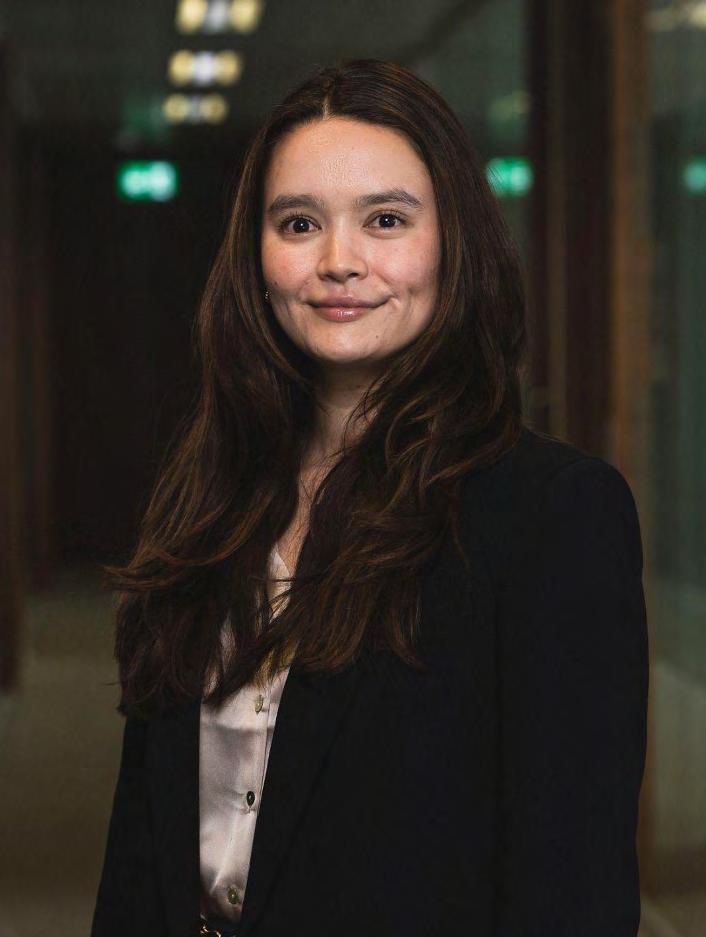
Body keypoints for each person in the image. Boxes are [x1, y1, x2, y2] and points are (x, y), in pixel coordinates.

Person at [90, 58, 649, 937]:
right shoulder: (209, 494)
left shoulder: (552, 515)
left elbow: (572, 888)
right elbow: (141, 847)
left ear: (453, 242)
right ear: (256, 257)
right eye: (299, 223)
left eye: (385, 219)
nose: (339, 262)